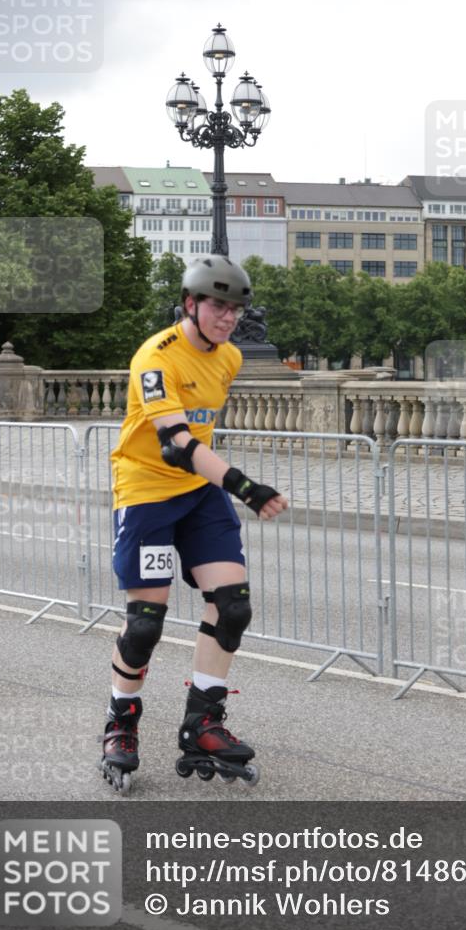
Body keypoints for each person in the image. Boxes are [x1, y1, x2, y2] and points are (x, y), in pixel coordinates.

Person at [99, 255, 288, 792]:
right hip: (148, 495)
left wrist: (222, 486)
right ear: (190, 304)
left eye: (235, 309)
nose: (228, 318)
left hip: (199, 497)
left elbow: (198, 446)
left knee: (232, 605)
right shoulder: (156, 359)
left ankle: (202, 721)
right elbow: (178, 444)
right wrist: (246, 487)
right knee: (144, 625)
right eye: (217, 306)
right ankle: (121, 722)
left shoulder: (227, 358)